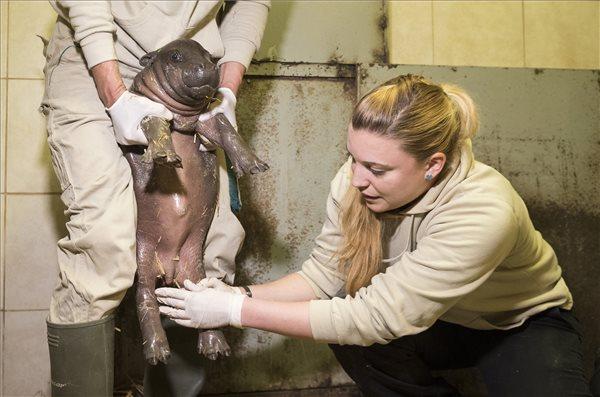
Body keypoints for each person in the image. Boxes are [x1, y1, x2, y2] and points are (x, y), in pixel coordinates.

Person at [156, 74, 593, 397]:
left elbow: (374, 318)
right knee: (348, 335)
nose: (357, 178)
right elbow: (324, 276)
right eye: (354, 159)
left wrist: (234, 311)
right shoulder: (355, 181)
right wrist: (244, 294)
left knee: (355, 325)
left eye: (377, 169)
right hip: (439, 320)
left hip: (517, 325)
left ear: (433, 166)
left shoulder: (483, 210)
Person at [40, 1, 269, 396]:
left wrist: (227, 92)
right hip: (95, 50)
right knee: (104, 239)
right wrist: (116, 96)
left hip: (190, 74)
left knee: (214, 245)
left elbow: (251, 4)